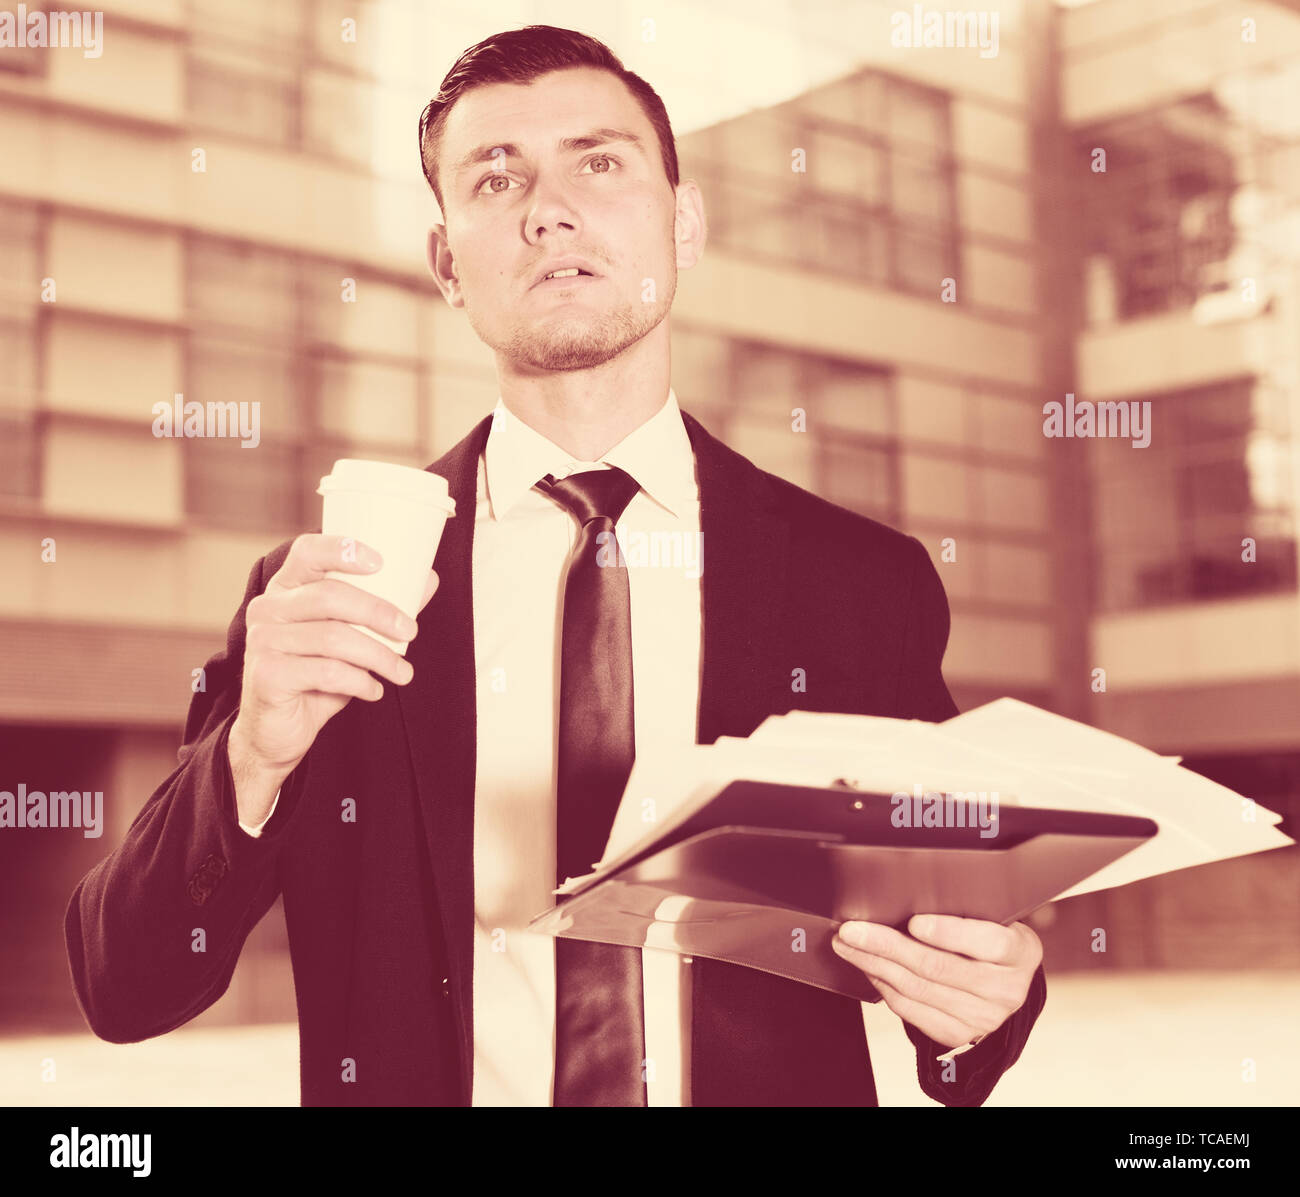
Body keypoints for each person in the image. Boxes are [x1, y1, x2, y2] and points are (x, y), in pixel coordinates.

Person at [65, 24, 1045, 1107]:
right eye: (497, 178)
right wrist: (251, 755)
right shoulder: (327, 596)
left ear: (682, 224)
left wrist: (981, 1008)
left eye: (600, 161)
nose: (550, 210)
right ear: (447, 265)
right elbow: (126, 985)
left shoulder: (863, 586)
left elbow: (961, 937)